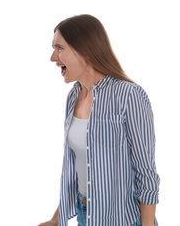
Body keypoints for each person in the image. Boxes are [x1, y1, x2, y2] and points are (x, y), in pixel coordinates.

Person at [38, 14, 159, 226]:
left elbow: (146, 172)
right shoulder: (73, 96)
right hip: (86, 216)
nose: (52, 57)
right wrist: (56, 219)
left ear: (84, 49)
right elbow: (76, 168)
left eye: (59, 48)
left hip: (125, 220)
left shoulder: (129, 95)